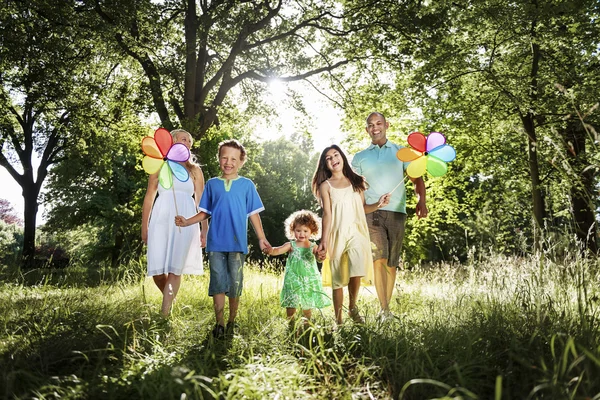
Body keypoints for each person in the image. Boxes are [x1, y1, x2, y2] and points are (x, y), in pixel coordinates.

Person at [175, 139, 271, 339]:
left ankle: (232, 321)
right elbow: (204, 213)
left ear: (241, 162)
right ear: (219, 159)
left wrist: (261, 238)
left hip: (237, 244)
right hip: (216, 243)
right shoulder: (212, 184)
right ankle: (219, 324)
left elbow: (253, 214)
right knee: (218, 282)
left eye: (234, 159)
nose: (229, 162)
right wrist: (187, 221)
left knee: (235, 283)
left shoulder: (246, 185)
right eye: (224, 157)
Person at [351, 112, 428, 321]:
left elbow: (416, 179)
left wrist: (421, 201)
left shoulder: (401, 152)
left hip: (397, 212)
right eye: (370, 125)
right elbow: (355, 190)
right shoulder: (359, 158)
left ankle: (387, 309)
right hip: (371, 213)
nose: (375, 128)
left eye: (378, 123)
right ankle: (384, 310)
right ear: (366, 129)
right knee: (379, 258)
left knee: (392, 262)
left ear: (387, 125)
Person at [312, 145, 390, 325]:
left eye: (336, 155)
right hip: (337, 233)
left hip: (357, 232)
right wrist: (324, 241)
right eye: (328, 158)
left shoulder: (356, 181)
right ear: (326, 165)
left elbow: (363, 208)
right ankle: (338, 320)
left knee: (356, 270)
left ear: (342, 157)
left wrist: (378, 204)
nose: (333, 159)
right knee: (338, 278)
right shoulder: (326, 186)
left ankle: (353, 308)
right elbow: (327, 215)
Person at [141, 129, 208, 316]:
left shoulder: (195, 170)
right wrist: (144, 226)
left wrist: (204, 230)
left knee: (175, 269)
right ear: (172, 141)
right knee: (157, 269)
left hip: (185, 220)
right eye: (183, 138)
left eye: (190, 141)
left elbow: (201, 202)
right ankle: (171, 301)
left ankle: (164, 315)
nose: (187, 142)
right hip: (161, 218)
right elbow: (149, 197)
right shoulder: (159, 166)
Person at [265, 210, 331, 327]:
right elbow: (278, 250)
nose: (301, 234)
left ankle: (307, 324)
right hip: (293, 278)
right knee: (291, 302)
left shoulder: (313, 246)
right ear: (293, 230)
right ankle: (290, 323)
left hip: (308, 279)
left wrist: (321, 256)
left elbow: (319, 259)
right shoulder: (291, 245)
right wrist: (271, 250)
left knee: (307, 302)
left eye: (305, 231)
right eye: (298, 230)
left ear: (312, 231)